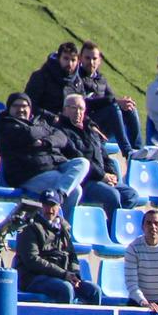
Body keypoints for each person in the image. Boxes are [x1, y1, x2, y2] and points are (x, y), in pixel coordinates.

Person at [0, 92, 88, 214]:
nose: (21, 109)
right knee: (76, 190)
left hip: (54, 164)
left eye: (25, 106)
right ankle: (60, 224)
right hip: (30, 173)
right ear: (9, 108)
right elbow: (28, 134)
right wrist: (45, 131)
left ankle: (58, 196)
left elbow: (61, 137)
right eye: (16, 106)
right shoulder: (5, 125)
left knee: (82, 163)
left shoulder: (39, 121)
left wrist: (45, 142)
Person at [56, 92, 135, 220]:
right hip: (85, 181)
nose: (78, 112)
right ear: (65, 110)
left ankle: (115, 229)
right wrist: (102, 176)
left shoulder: (91, 130)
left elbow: (104, 156)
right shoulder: (61, 132)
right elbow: (79, 158)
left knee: (131, 195)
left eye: (81, 108)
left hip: (103, 178)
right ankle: (111, 233)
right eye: (73, 108)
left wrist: (112, 175)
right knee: (113, 196)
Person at [14, 190, 98, 304]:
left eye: (53, 205)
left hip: (60, 276)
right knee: (65, 289)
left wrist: (74, 275)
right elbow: (32, 260)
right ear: (40, 206)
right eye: (46, 205)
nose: (50, 210)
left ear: (59, 207)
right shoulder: (29, 227)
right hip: (34, 278)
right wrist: (63, 274)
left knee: (93, 291)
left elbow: (72, 255)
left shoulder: (64, 227)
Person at [76, 42, 144, 157]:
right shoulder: (77, 78)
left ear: (99, 60)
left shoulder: (101, 79)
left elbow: (111, 98)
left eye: (94, 58)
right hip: (87, 124)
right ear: (80, 59)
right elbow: (85, 103)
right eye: (87, 58)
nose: (91, 62)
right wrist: (115, 102)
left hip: (103, 125)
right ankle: (128, 152)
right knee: (113, 108)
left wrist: (124, 103)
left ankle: (138, 150)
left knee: (129, 108)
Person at [23, 41, 82, 117]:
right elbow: (29, 104)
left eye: (73, 60)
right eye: (66, 58)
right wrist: (51, 117)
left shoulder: (78, 83)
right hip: (40, 122)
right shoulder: (41, 76)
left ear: (78, 62)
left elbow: (82, 108)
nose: (69, 63)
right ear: (58, 58)